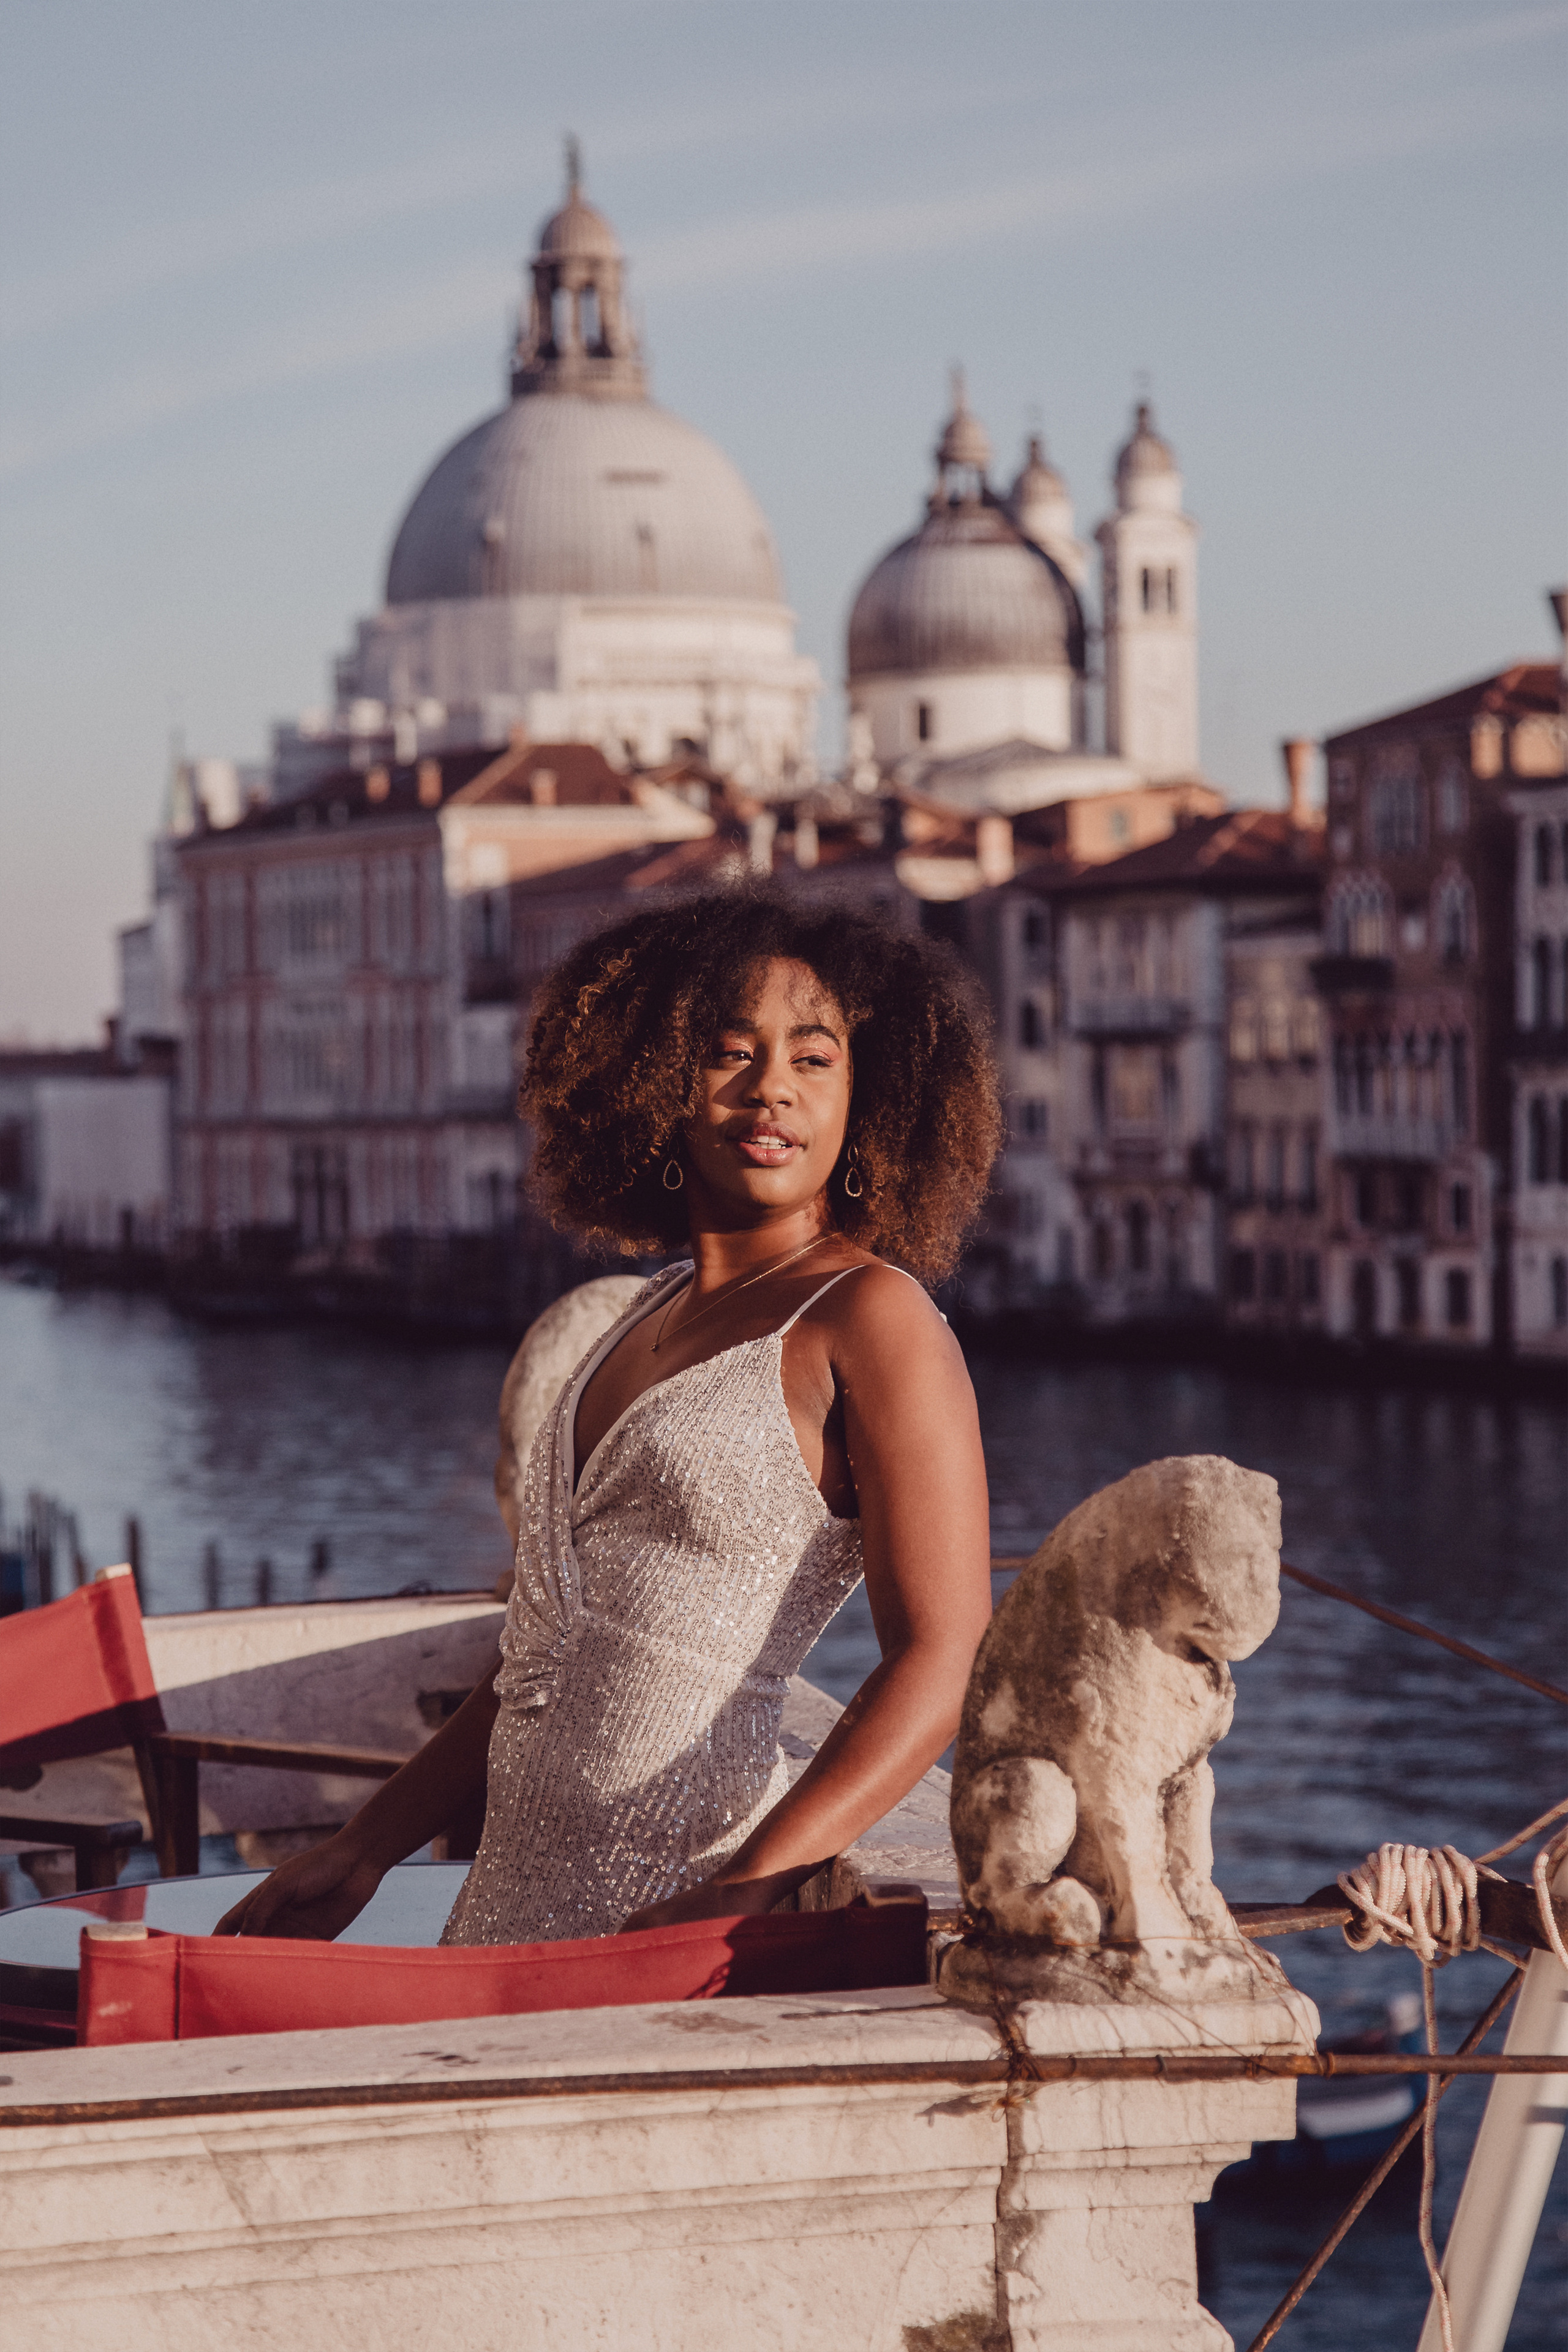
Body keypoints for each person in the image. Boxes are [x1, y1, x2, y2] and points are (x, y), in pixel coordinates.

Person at [217, 889, 1000, 1945]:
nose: (772, 1088)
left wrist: (743, 1893)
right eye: (731, 1052)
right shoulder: (644, 1308)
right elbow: (542, 1660)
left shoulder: (873, 1317)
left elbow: (942, 1658)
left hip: (681, 1910)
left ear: (869, 1098)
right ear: (657, 1083)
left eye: (814, 1060)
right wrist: (364, 1846)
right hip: (505, 1915)